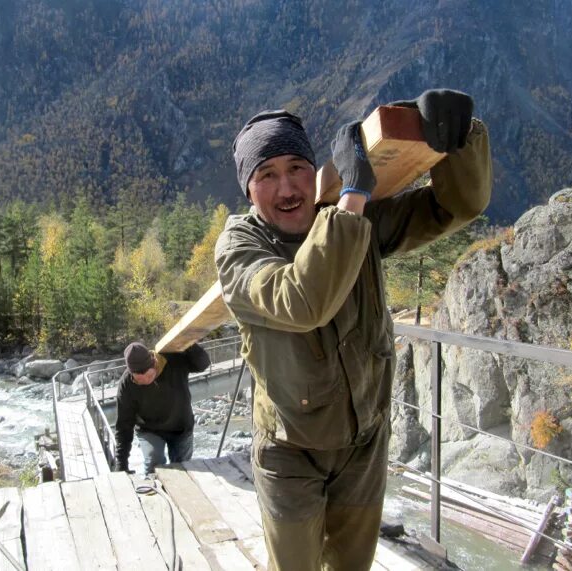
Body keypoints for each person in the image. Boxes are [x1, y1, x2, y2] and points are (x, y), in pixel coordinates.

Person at [214, 89, 492, 570]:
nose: (287, 188)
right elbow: (302, 301)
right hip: (289, 453)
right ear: (248, 190)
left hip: (364, 445)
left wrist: (458, 140)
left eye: (297, 168)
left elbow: (454, 208)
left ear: (314, 169)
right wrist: (353, 197)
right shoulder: (240, 247)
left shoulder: (350, 217)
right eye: (267, 175)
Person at [113, 341, 210, 475]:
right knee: (154, 461)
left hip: (181, 427)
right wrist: (121, 464)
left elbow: (203, 364)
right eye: (139, 380)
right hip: (150, 429)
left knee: (183, 469)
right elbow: (124, 424)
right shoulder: (127, 384)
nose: (146, 381)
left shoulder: (173, 359)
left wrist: (189, 342)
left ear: (154, 363)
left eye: (149, 376)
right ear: (131, 374)